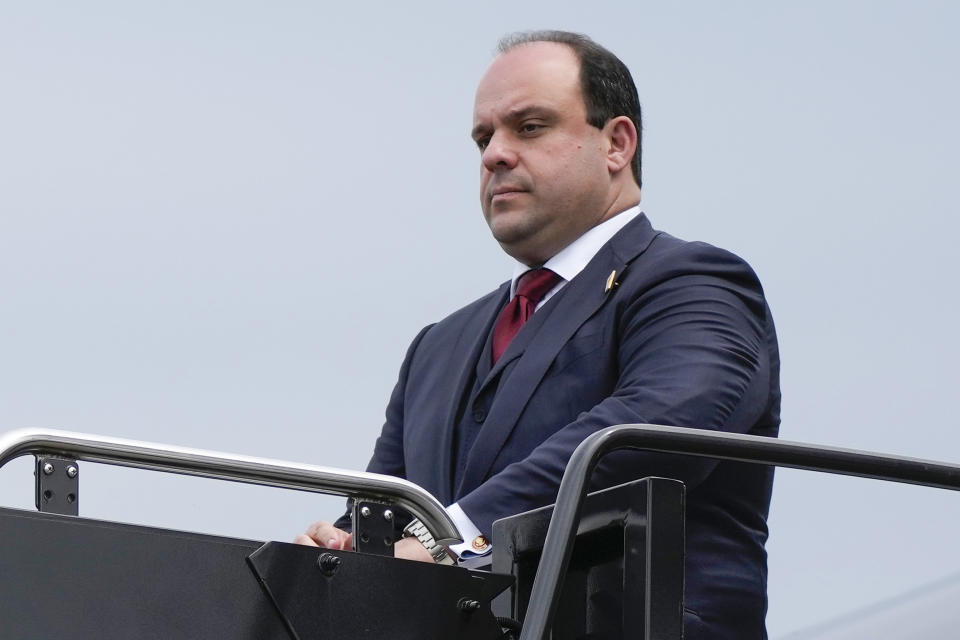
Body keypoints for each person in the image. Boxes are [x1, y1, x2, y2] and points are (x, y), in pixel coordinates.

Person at [297, 30, 780, 639]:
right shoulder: (437, 347)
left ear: (617, 143)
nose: (495, 154)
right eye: (483, 137)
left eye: (529, 127)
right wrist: (336, 551)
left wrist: (456, 538)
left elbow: (661, 423)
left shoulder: (690, 282)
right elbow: (386, 518)